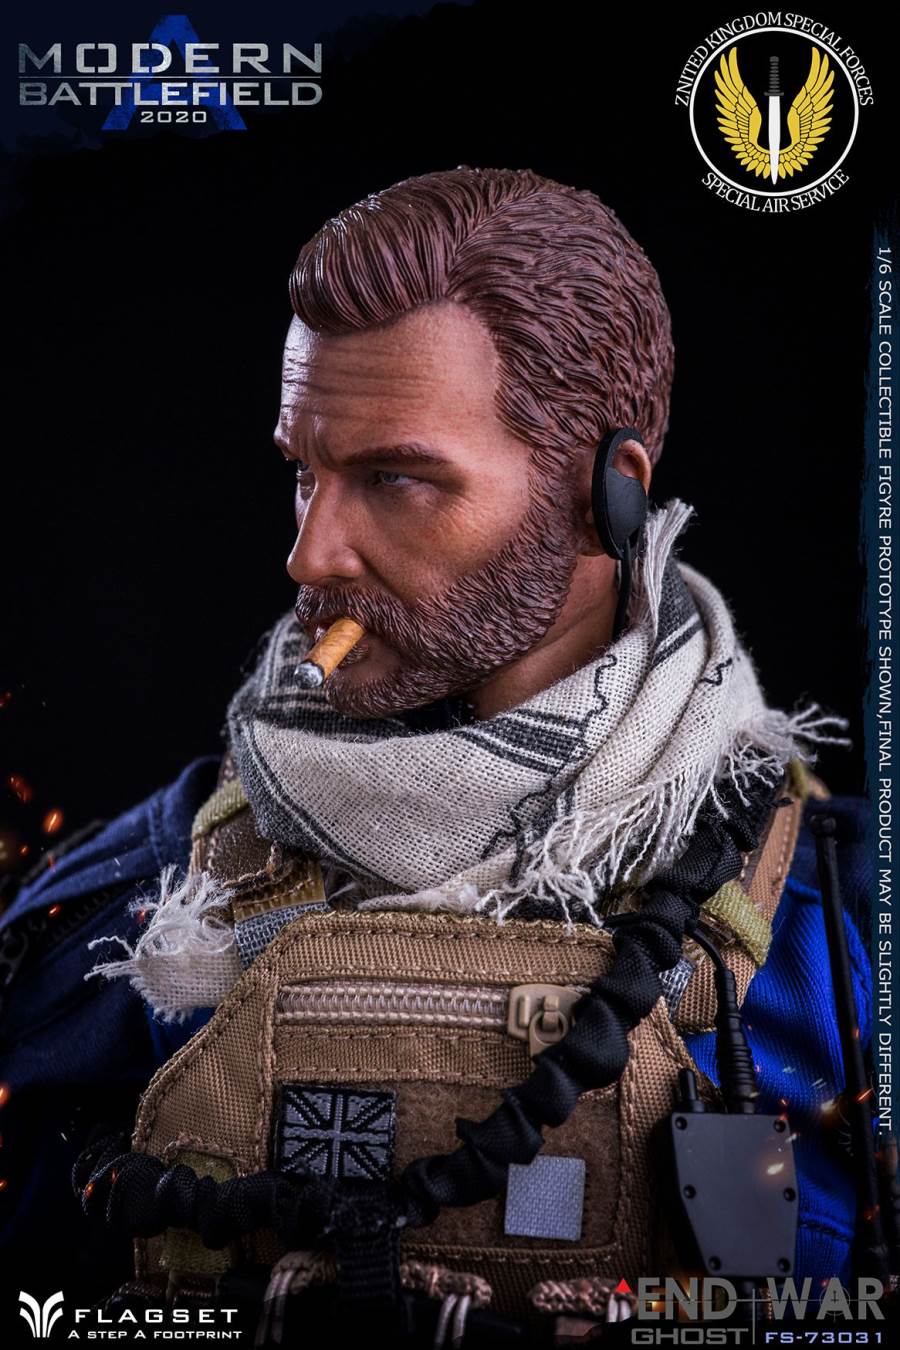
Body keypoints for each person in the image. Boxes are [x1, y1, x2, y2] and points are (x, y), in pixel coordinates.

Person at [0, 167, 873, 1334]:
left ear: (606, 495)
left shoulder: (836, 931)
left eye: (395, 479)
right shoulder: (133, 923)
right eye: (304, 473)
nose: (311, 554)